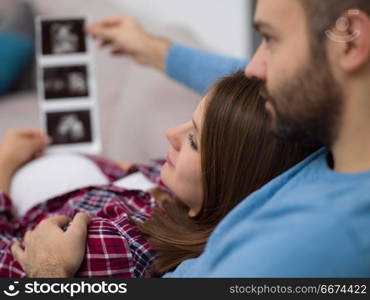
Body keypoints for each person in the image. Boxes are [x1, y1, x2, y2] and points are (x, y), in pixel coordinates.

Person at [12, 0, 370, 277]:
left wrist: (49, 276)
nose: (254, 67)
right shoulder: (323, 134)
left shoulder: (293, 251)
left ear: (350, 42)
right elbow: (249, 102)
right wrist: (155, 50)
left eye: (271, 39)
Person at [0, 72, 315, 277]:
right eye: (188, 122)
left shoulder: (107, 246)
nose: (170, 133)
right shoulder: (175, 186)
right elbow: (136, 170)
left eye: (193, 140)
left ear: (227, 182)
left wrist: (5, 165)